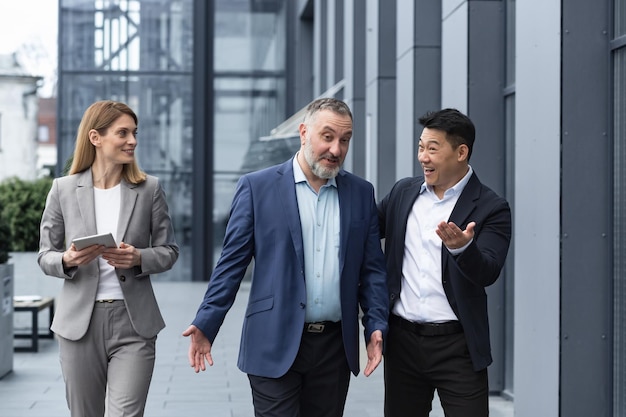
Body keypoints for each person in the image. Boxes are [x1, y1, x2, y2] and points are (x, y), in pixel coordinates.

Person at [183, 97, 389, 417]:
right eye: (328, 136)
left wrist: (375, 325)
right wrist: (206, 322)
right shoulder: (257, 187)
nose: (336, 149)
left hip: (334, 348)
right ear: (303, 133)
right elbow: (230, 265)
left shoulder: (361, 194)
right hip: (272, 339)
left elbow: (373, 269)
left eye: (345, 140)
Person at [38, 100, 179, 417]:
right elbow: (45, 254)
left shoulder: (149, 189)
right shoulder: (62, 189)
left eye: (134, 133)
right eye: (123, 133)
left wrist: (138, 257)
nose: (133, 141)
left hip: (134, 325)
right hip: (78, 326)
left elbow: (169, 251)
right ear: (95, 138)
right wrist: (68, 259)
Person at [378, 108, 512, 417]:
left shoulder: (492, 208)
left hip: (458, 347)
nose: (423, 157)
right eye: (421, 147)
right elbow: (365, 232)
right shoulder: (403, 193)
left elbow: (489, 270)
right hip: (403, 344)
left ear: (461, 152)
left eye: (432, 149)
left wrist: (463, 249)